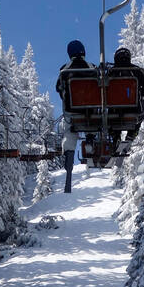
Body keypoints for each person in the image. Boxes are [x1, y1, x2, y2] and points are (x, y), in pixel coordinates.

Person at [56, 41, 91, 192]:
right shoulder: (92, 67)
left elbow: (59, 88)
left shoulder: (65, 70)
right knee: (93, 125)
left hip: (73, 112)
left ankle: (69, 157)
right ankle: (90, 140)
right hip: (91, 111)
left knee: (68, 129)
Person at [111, 46, 144, 147]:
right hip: (134, 110)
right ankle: (130, 136)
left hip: (114, 111)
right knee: (139, 117)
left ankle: (115, 137)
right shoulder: (137, 71)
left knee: (110, 120)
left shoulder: (110, 72)